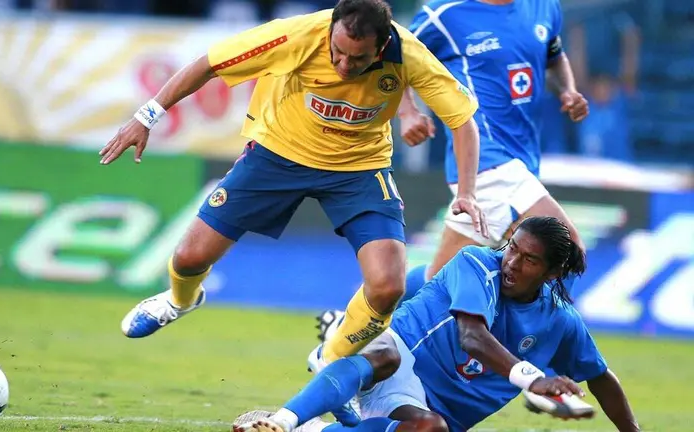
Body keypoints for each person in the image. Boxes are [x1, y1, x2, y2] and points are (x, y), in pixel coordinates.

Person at [99, 0, 486, 371]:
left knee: (387, 287)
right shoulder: (296, 35)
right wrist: (145, 117)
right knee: (189, 258)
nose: (344, 65)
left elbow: (462, 120)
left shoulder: (410, 55)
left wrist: (466, 192)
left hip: (359, 167)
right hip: (277, 154)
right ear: (331, 31)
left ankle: (330, 358)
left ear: (382, 46)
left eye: (358, 58)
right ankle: (179, 301)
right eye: (337, 52)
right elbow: (208, 65)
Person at [315, 0, 591, 351]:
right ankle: (538, 357)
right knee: (567, 249)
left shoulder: (543, 7)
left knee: (439, 281)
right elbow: (390, 55)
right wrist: (408, 111)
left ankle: (350, 329)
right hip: (485, 161)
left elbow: (554, 56)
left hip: (521, 161)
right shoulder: (443, 14)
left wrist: (566, 89)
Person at [234, 216, 640, 432]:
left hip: (431, 413)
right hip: (403, 359)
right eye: (512, 248)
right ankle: (284, 421)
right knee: (384, 352)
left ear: (551, 274)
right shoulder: (477, 262)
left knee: (431, 429)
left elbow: (601, 377)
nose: (511, 263)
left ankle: (314, 428)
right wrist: (534, 381)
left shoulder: (561, 322)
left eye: (529, 260)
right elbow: (473, 337)